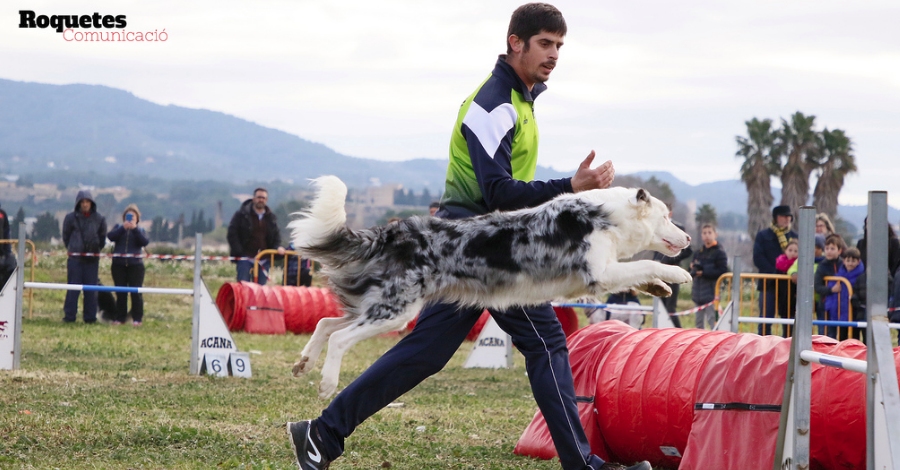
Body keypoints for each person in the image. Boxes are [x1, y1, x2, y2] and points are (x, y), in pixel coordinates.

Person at [286, 4, 651, 470]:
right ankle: (583, 466)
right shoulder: (495, 102)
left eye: (560, 45)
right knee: (546, 343)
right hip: (485, 244)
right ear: (515, 42)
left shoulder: (519, 99)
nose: (555, 54)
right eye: (545, 43)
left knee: (427, 352)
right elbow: (498, 193)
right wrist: (569, 187)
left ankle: (321, 434)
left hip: (476, 240)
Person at [62, 190, 107, 323]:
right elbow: (66, 236)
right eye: (82, 202)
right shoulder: (70, 218)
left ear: (91, 203)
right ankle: (69, 316)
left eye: (87, 202)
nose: (85, 204)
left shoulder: (99, 219)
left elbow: (102, 238)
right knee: (72, 289)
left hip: (92, 260)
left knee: (91, 290)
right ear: (78, 203)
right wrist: (73, 248)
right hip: (75, 259)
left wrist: (95, 249)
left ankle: (90, 317)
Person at [752, 205, 797, 336]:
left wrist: (790, 273)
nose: (787, 219)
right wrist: (774, 273)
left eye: (789, 217)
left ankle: (789, 350)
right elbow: (758, 258)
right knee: (766, 319)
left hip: (789, 285)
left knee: (789, 320)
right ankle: (764, 349)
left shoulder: (795, 237)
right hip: (768, 284)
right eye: (784, 216)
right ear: (776, 218)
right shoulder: (763, 235)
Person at [226, 187, 285, 285]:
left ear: (266, 200)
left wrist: (276, 249)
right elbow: (232, 233)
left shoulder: (271, 218)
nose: (261, 200)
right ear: (253, 199)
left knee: (260, 291)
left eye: (263, 198)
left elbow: (276, 237)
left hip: (264, 260)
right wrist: (239, 252)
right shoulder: (241, 215)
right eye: (259, 197)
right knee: (243, 287)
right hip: (245, 258)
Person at [107, 204, 150, 326]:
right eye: (128, 216)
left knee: (136, 293)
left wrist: (134, 229)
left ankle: (137, 318)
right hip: (119, 265)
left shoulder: (141, 230)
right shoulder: (118, 227)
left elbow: (144, 241)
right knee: (121, 293)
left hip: (135, 265)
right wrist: (123, 229)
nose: (130, 219)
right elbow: (110, 237)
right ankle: (120, 317)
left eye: (133, 216)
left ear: (137, 218)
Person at [652, 205, 692, 327]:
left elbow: (688, 250)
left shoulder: (678, 228)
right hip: (660, 272)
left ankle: (678, 332)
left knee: (670, 308)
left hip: (672, 271)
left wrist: (672, 258)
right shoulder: (655, 228)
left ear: (670, 213)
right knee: (660, 306)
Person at [689, 224, 728, 330]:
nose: (707, 235)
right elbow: (692, 271)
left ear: (716, 234)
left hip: (712, 294)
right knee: (698, 324)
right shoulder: (698, 253)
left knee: (713, 322)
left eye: (709, 232)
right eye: (704, 233)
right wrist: (693, 268)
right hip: (698, 294)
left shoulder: (719, 252)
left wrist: (704, 271)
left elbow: (722, 270)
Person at [788, 234, 826, 334]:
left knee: (822, 322)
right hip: (806, 298)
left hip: (821, 297)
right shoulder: (802, 259)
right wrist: (794, 273)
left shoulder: (825, 262)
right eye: (813, 247)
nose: (815, 250)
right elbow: (792, 268)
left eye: (818, 247)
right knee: (804, 322)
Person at [814, 234, 846, 341]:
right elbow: (817, 286)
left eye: (832, 248)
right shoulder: (822, 266)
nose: (829, 251)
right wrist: (831, 290)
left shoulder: (844, 264)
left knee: (842, 335)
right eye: (827, 248)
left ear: (839, 251)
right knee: (826, 335)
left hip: (842, 305)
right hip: (825, 306)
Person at [829, 247, 864, 341]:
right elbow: (831, 286)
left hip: (854, 311)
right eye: (848, 260)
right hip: (841, 310)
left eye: (853, 261)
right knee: (842, 336)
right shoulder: (839, 275)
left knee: (854, 336)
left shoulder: (861, 276)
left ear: (858, 261)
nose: (850, 263)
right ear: (844, 261)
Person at [0, 204, 15, 289]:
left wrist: (7, 253)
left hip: (2, 254)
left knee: (11, 264)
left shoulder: (2, 214)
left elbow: (6, 233)